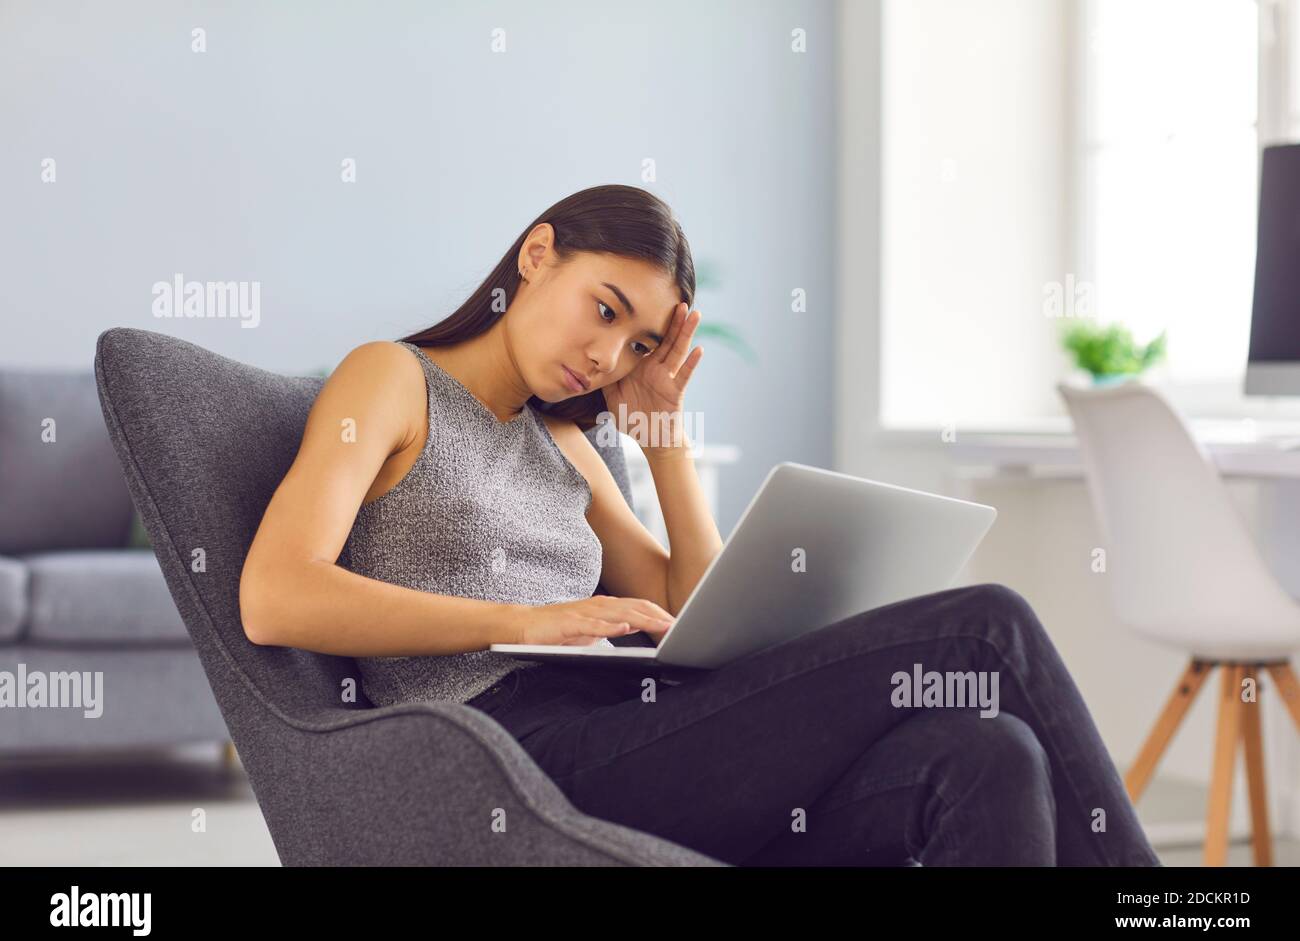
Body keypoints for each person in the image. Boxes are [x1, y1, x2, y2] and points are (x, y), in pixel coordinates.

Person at [239, 184, 1161, 867]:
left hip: (623, 722)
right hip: (495, 747)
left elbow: (692, 609)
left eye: (639, 342)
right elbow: (277, 596)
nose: (607, 355)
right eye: (604, 310)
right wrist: (519, 621)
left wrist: (663, 441)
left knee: (986, 750)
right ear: (536, 255)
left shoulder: (564, 442)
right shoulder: (392, 379)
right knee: (979, 627)